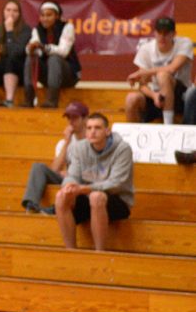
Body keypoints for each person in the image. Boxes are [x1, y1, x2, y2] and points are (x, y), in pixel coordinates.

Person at [54, 113, 133, 252]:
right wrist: (69, 186)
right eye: (89, 128)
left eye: (97, 128)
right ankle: (70, 251)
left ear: (107, 131)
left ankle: (99, 253)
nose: (92, 132)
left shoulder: (123, 149)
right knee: (61, 196)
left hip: (117, 199)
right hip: (87, 195)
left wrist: (86, 188)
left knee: (96, 196)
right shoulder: (79, 148)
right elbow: (72, 174)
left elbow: (116, 183)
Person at [21, 101, 88, 215]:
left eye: (75, 117)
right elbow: (55, 170)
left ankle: (55, 208)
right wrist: (67, 142)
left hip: (83, 180)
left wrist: (72, 173)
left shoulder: (93, 141)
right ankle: (31, 205)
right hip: (66, 180)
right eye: (68, 118)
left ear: (85, 119)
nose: (71, 122)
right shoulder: (63, 143)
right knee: (38, 167)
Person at [125, 17, 191, 125]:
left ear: (174, 34)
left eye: (166, 33)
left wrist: (143, 72)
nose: (162, 37)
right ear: (154, 33)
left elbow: (172, 68)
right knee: (131, 98)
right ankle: (132, 138)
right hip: (156, 94)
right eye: (159, 33)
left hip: (180, 96)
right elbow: (142, 84)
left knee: (163, 75)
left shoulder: (184, 44)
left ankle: (167, 125)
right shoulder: (146, 49)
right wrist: (154, 95)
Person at [24, 1, 80, 108]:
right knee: (30, 57)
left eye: (49, 15)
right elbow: (35, 48)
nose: (45, 18)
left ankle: (51, 100)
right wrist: (31, 49)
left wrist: (43, 47)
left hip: (68, 75)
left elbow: (63, 51)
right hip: (48, 75)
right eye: (42, 15)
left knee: (54, 58)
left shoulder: (67, 27)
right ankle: (28, 99)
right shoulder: (37, 29)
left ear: (57, 16)